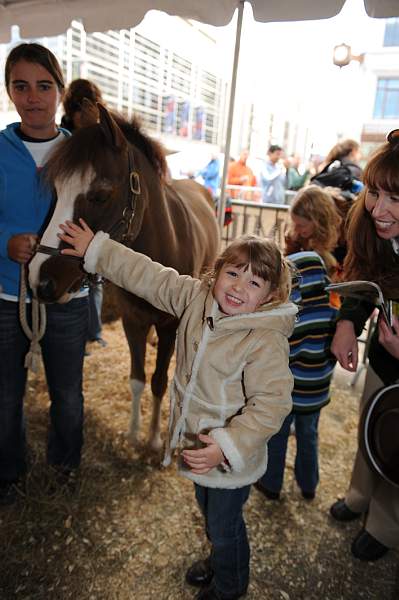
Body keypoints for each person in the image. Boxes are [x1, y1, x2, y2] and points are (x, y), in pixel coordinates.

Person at [58, 223, 297, 600]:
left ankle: (231, 584)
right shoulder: (195, 299)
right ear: (215, 271)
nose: (237, 287)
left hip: (230, 458)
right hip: (198, 447)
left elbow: (273, 405)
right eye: (232, 273)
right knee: (207, 509)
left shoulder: (264, 339)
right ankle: (219, 560)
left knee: (225, 524)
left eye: (254, 283)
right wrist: (98, 250)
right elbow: (148, 275)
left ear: (270, 296)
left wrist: (227, 445)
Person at [0, 43, 89, 506]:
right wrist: (5, 243)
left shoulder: (81, 152)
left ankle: (65, 466)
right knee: (4, 396)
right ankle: (9, 471)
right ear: (9, 91)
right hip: (5, 293)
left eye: (43, 85)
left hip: (66, 297)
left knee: (68, 395)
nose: (33, 97)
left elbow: (101, 216)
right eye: (21, 86)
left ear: (58, 89)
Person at [329, 131, 399, 562]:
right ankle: (359, 495)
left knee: (398, 448)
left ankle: (385, 525)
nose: (379, 209)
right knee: (370, 428)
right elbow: (369, 280)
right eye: (374, 193)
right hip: (383, 360)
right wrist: (346, 323)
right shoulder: (379, 234)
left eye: (396, 199)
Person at [255, 186, 339, 501]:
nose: (295, 230)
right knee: (309, 432)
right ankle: (309, 484)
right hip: (318, 375)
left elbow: (288, 320)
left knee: (278, 431)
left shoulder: (298, 264)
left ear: (314, 224)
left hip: (293, 373)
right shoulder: (331, 264)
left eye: (300, 225)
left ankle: (271, 483)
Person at [61, 78, 107, 350]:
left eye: (87, 106)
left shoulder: (103, 135)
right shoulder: (62, 136)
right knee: (72, 275)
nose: (82, 113)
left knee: (95, 279)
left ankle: (94, 332)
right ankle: (79, 336)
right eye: (78, 107)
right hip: (68, 215)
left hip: (93, 218)